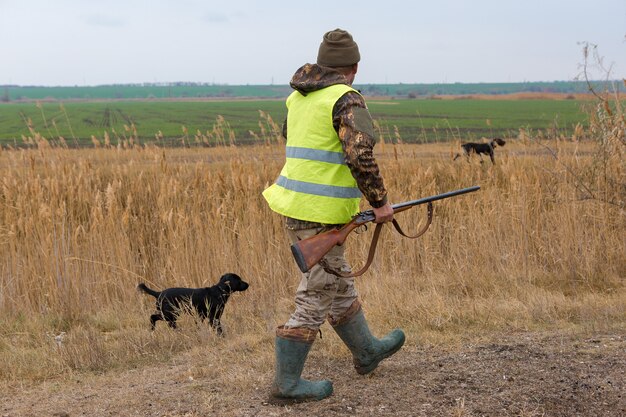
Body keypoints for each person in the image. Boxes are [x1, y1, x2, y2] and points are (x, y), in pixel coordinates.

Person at [262, 28, 405, 404]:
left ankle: (367, 350)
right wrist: (380, 202)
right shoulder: (346, 98)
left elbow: (295, 140)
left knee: (336, 282)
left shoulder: (298, 97)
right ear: (353, 67)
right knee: (316, 293)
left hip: (295, 205)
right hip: (322, 214)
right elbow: (359, 155)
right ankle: (287, 384)